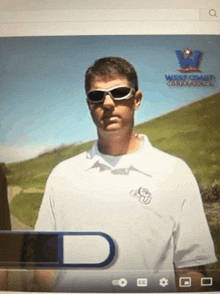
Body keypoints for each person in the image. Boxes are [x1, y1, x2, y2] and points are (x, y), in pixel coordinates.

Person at [34, 56, 217, 292]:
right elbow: (45, 265)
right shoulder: (62, 175)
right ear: (89, 104)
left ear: (137, 100)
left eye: (119, 92)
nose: (108, 103)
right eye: (96, 96)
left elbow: (190, 269)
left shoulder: (175, 172)